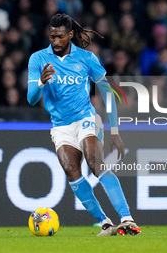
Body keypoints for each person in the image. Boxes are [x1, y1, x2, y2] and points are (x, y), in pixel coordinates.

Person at [27, 13, 140, 237]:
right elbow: (31, 99)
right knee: (72, 170)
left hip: (85, 117)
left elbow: (107, 93)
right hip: (60, 124)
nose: (56, 42)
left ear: (70, 35)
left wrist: (114, 131)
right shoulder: (38, 59)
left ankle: (126, 218)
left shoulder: (87, 58)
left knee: (94, 160)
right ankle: (105, 222)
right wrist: (40, 82)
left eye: (60, 37)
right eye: (52, 37)